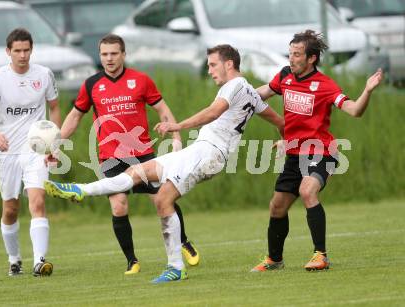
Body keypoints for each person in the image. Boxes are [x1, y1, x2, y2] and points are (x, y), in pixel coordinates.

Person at [44, 44, 284, 283]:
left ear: (229, 64)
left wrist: (177, 126)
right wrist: (285, 139)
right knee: (137, 172)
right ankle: (79, 190)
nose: (209, 70)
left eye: (213, 64)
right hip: (203, 151)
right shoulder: (249, 91)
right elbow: (279, 121)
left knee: (162, 199)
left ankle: (176, 267)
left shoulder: (234, 86)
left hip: (209, 153)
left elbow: (213, 112)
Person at [48, 34, 199, 274]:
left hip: (143, 155)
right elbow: (75, 116)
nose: (109, 58)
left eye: (114, 53)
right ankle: (132, 261)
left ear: (123, 55)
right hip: (110, 157)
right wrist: (56, 144)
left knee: (163, 198)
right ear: (100, 56)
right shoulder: (91, 84)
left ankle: (183, 242)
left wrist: (176, 136)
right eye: (104, 54)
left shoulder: (140, 80)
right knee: (118, 206)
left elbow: (162, 109)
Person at [250, 30, 383, 272]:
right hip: (294, 153)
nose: (291, 58)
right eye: (290, 53)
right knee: (277, 206)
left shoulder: (325, 85)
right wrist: (237, 94)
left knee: (307, 190)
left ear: (311, 58)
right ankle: (274, 259)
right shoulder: (285, 76)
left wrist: (368, 90)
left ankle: (320, 255)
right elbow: (261, 94)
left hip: (323, 152)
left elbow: (354, 110)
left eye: (297, 54)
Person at [0, 28, 61, 277]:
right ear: (8, 52)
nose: (23, 55)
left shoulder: (44, 75)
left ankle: (40, 261)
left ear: (31, 50)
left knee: (37, 201)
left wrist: (53, 144)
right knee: (11, 209)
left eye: (27, 50)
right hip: (8, 153)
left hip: (35, 152)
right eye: (17, 50)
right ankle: (14, 259)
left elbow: (55, 108)